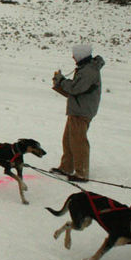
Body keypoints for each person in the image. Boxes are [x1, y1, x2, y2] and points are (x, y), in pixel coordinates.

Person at [51, 44, 105, 182]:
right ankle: (66, 167)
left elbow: (75, 88)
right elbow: (75, 91)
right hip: (77, 109)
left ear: (81, 55)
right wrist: (60, 83)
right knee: (69, 140)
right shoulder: (85, 68)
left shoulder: (88, 71)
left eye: (75, 54)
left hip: (82, 111)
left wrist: (62, 81)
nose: (73, 57)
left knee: (78, 142)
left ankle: (81, 173)